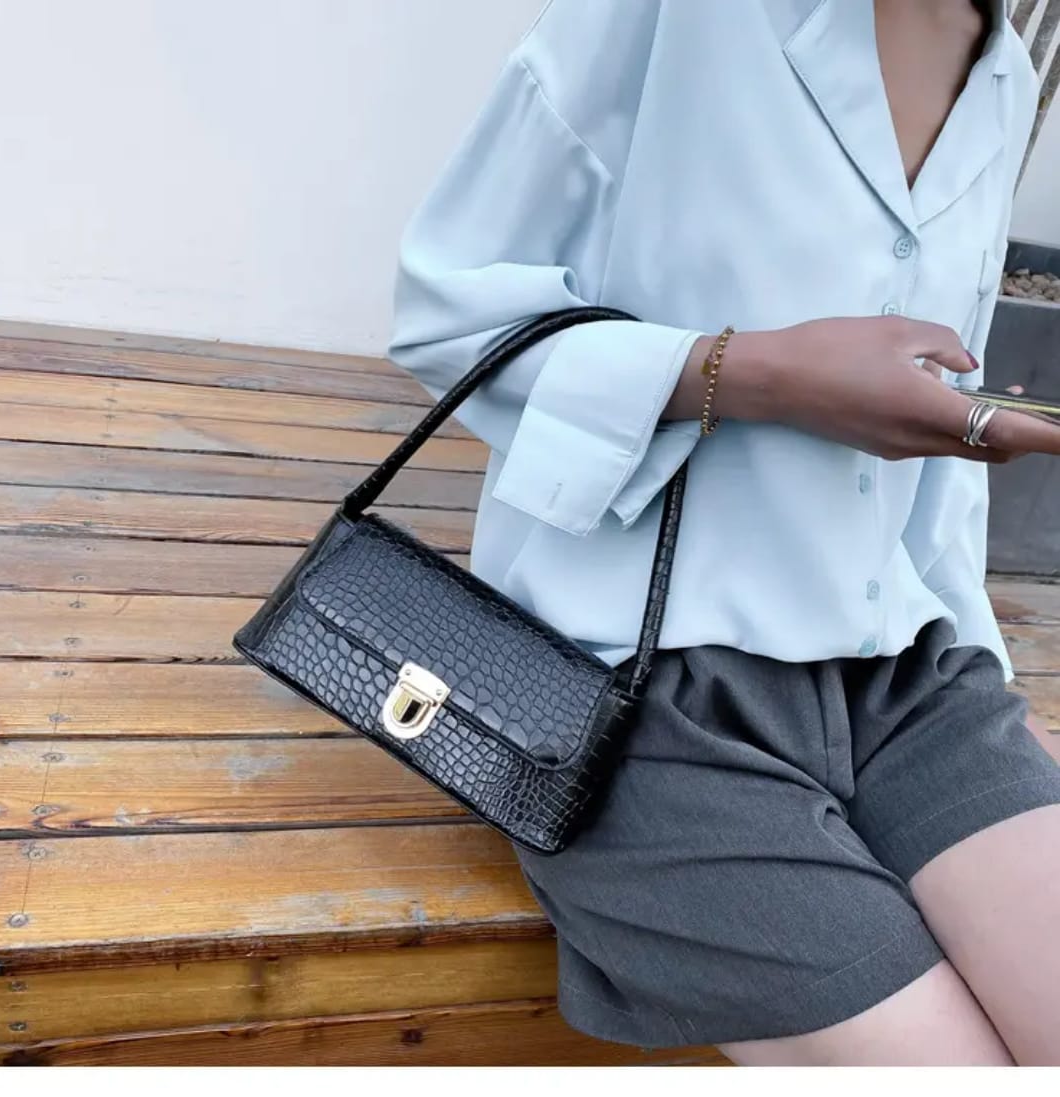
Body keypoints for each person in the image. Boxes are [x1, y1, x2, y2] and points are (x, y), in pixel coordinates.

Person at [387, 0, 1060, 1067]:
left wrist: (984, 677)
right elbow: (450, 312)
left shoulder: (1004, 79)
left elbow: (939, 468)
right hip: (632, 684)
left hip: (905, 680)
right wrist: (761, 374)